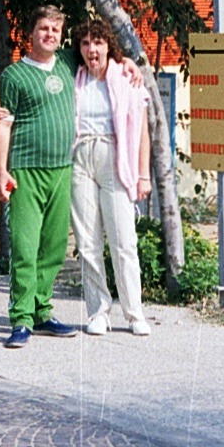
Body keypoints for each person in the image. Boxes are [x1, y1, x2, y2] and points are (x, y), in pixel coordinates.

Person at [0, 6, 81, 348]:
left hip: (63, 168)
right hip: (26, 171)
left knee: (55, 247)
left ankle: (42, 312)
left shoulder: (67, 63)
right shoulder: (14, 76)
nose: (50, 35)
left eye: (56, 30)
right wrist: (1, 172)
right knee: (25, 248)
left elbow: (105, 56)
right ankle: (21, 320)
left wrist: (132, 70)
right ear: (31, 33)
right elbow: (3, 124)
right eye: (44, 28)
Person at [70, 18, 153, 336]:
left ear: (109, 46)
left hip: (115, 159)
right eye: (86, 43)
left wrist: (143, 175)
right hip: (81, 160)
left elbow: (142, 130)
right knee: (87, 241)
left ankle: (134, 314)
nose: (92, 49)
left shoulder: (126, 77)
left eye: (99, 43)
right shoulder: (75, 77)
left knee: (123, 241)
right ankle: (98, 312)